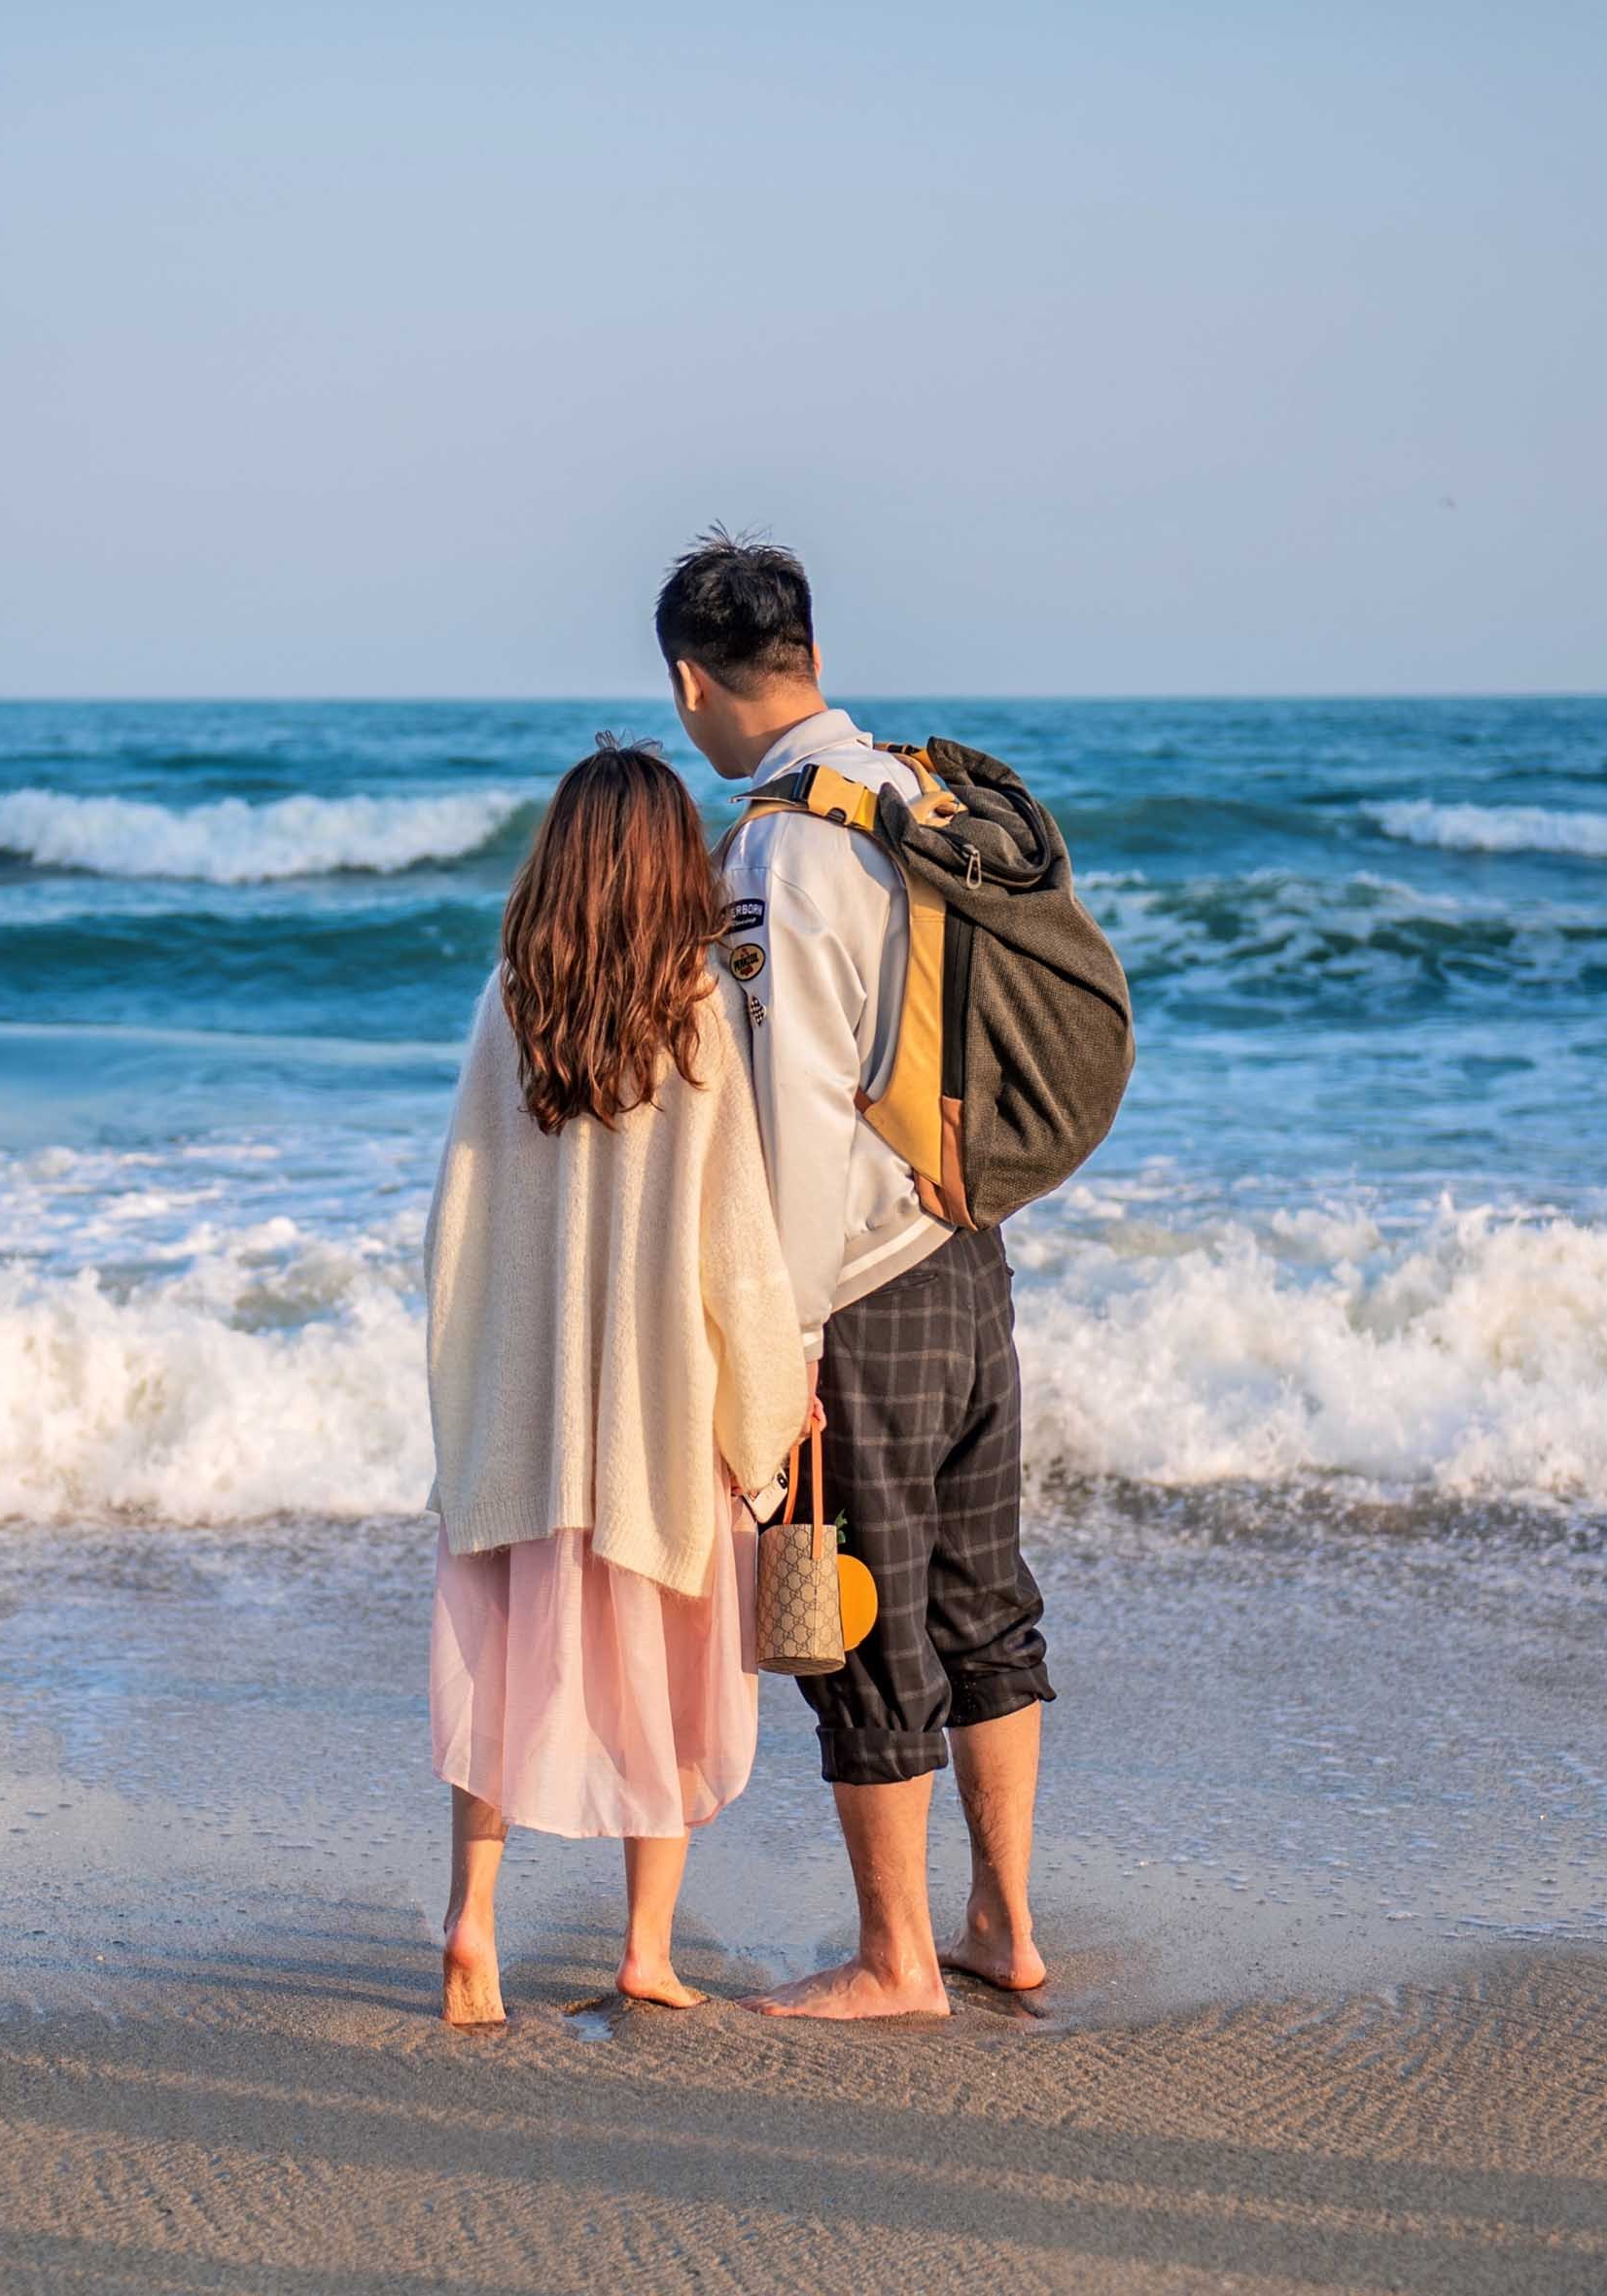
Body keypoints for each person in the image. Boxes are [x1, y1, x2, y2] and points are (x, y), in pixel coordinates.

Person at [659, 531, 1057, 2020]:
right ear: (812, 655)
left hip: (862, 1288)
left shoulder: (782, 844)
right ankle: (1003, 1923)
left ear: (693, 685)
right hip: (969, 1251)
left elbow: (803, 1102)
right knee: (983, 1597)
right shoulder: (911, 790)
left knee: (866, 1613)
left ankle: (898, 1959)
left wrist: (790, 1339)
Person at [424, 737, 811, 2028]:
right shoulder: (698, 1011)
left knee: (501, 1672)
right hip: (654, 1423)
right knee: (679, 1681)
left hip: (525, 1416)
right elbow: (735, 1244)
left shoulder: (509, 1001)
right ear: (665, 865)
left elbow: (459, 1217)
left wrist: (466, 1398)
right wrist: (770, 1412)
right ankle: (646, 1946)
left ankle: (471, 1921)